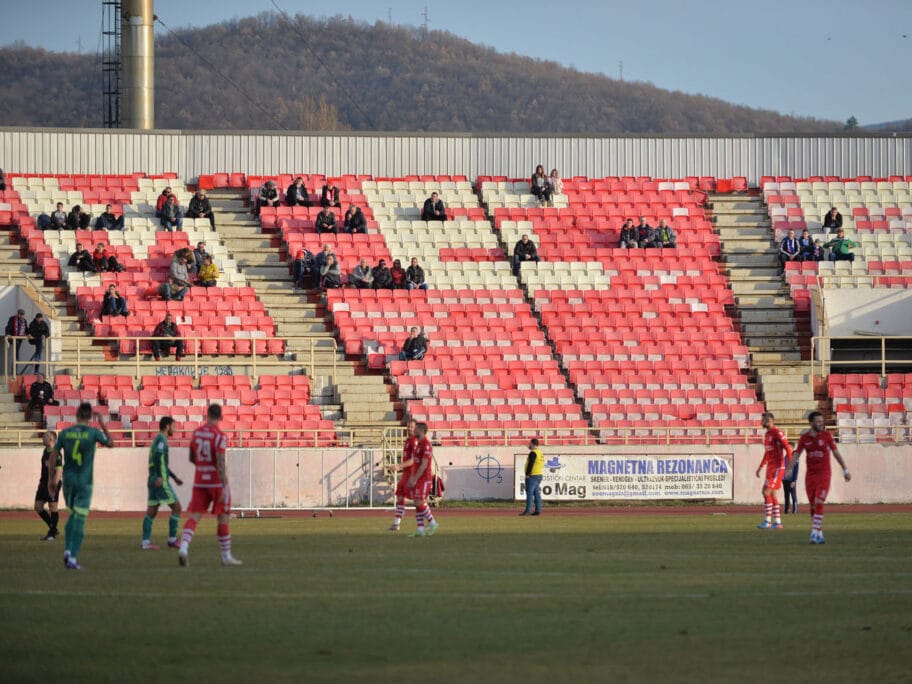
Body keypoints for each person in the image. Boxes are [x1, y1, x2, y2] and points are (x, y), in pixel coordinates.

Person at [49, 402, 113, 569]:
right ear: (90, 417)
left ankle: (67, 551)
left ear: (77, 415)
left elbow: (54, 455)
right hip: (84, 481)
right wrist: (102, 424)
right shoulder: (93, 433)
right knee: (80, 518)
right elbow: (111, 443)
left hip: (69, 480)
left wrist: (51, 480)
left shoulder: (65, 433)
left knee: (71, 515)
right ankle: (72, 556)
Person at [178, 404, 242, 566]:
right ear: (221, 417)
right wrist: (222, 485)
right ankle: (226, 557)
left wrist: (202, 467)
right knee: (223, 518)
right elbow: (220, 463)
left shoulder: (196, 433)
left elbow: (192, 458)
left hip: (200, 480)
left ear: (207, 415)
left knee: (195, 516)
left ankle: (184, 548)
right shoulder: (220, 436)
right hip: (215, 481)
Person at [786, 411, 851, 544]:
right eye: (818, 421)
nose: (821, 424)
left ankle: (814, 533)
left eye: (822, 421)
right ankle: (819, 533)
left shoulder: (827, 436)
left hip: (824, 474)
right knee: (812, 506)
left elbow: (836, 453)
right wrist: (789, 469)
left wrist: (845, 469)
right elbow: (797, 454)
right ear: (811, 423)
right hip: (810, 476)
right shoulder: (805, 438)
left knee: (819, 501)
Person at [141, 416, 184, 551]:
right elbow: (158, 458)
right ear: (167, 426)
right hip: (160, 481)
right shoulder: (161, 440)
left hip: (152, 479)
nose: (175, 429)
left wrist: (174, 477)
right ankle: (172, 540)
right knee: (177, 507)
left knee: (151, 512)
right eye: (173, 426)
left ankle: (145, 542)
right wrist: (160, 476)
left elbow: (162, 463)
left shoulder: (157, 440)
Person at [755, 412, 793, 530]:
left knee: (765, 492)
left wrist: (790, 466)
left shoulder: (777, 432)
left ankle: (768, 521)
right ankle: (777, 522)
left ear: (769, 420)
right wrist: (761, 466)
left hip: (777, 467)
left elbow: (788, 448)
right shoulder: (767, 434)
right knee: (772, 493)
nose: (761, 422)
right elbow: (767, 452)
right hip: (770, 467)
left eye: (763, 419)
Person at [403, 422, 439, 537]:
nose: (414, 431)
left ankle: (433, 522)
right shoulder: (418, 444)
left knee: (418, 501)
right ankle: (420, 529)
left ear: (422, 431)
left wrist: (414, 478)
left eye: (416, 429)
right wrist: (412, 477)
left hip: (424, 478)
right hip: (418, 478)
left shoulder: (426, 445)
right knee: (416, 503)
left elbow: (424, 465)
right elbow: (417, 463)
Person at [389, 419, 418, 531]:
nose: (409, 428)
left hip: (412, 475)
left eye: (411, 427)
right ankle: (396, 524)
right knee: (400, 497)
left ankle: (431, 521)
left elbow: (413, 459)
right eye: (408, 426)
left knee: (419, 500)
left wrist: (399, 466)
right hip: (406, 474)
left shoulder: (414, 441)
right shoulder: (408, 441)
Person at [34, 431, 61, 541]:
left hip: (52, 484)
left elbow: (59, 471)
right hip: (43, 483)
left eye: (44, 436)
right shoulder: (45, 450)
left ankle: (52, 534)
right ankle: (53, 527)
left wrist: (54, 484)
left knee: (53, 507)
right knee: (38, 507)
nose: (42, 438)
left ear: (50, 439)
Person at [519, 438, 544, 516]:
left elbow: (531, 464)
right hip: (539, 475)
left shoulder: (533, 453)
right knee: (536, 493)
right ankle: (538, 510)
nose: (529, 445)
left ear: (533, 444)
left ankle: (528, 510)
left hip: (532, 476)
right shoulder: (539, 452)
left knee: (529, 493)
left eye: (530, 444)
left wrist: (527, 474)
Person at [5, 308, 28, 374]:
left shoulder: (24, 320)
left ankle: (14, 371)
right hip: (12, 338)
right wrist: (8, 334)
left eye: (23, 315)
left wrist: (29, 334)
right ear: (18, 314)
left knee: (16, 354)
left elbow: (26, 329)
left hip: (19, 339)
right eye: (21, 315)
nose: (22, 316)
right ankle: (14, 372)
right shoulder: (12, 319)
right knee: (16, 353)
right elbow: (8, 327)